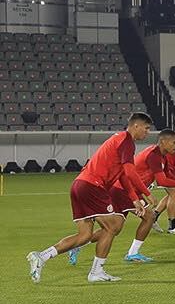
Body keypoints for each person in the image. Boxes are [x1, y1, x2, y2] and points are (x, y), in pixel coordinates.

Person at [27, 113, 154, 284]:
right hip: (93, 186)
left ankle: (41, 256)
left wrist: (134, 198)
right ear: (136, 126)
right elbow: (131, 172)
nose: (147, 133)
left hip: (79, 185)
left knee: (85, 235)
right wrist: (146, 192)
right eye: (146, 128)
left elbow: (123, 175)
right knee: (114, 226)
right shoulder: (126, 141)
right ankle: (96, 271)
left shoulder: (119, 140)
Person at [122, 130, 175, 263]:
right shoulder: (153, 155)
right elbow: (162, 181)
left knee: (114, 226)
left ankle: (82, 241)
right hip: (125, 191)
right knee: (146, 218)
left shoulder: (161, 156)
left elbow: (167, 175)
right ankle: (132, 254)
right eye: (174, 142)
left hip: (132, 192)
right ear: (163, 142)